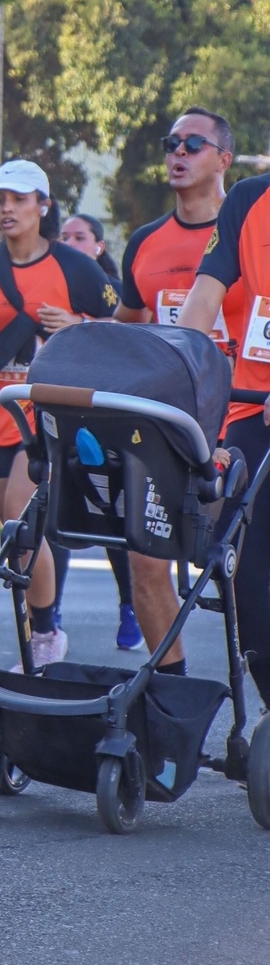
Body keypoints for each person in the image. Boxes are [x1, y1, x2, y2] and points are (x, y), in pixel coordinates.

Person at [0, 159, 118, 669]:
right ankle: (38, 625)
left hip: (46, 418)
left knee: (22, 527)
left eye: (19, 200)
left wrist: (76, 322)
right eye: (0, 199)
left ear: (43, 206)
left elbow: (125, 333)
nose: (7, 209)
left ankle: (46, 630)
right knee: (13, 531)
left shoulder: (75, 266)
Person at [114, 107, 243, 673]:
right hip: (168, 425)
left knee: (244, 567)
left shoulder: (250, 232)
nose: (179, 153)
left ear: (224, 159)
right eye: (172, 143)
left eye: (193, 143)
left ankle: (253, 678)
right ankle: (171, 689)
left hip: (242, 420)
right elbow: (127, 328)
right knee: (146, 561)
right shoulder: (145, 243)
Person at [180, 171, 270, 707]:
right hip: (250, 410)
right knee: (242, 572)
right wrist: (176, 379)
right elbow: (203, 300)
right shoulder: (247, 198)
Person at [58, 213, 144, 651]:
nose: (69, 242)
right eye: (64, 236)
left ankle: (130, 606)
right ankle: (48, 614)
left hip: (108, 412)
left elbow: (128, 338)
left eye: (80, 236)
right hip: (60, 412)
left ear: (98, 246)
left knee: (114, 513)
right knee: (56, 508)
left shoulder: (110, 287)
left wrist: (75, 324)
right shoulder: (49, 275)